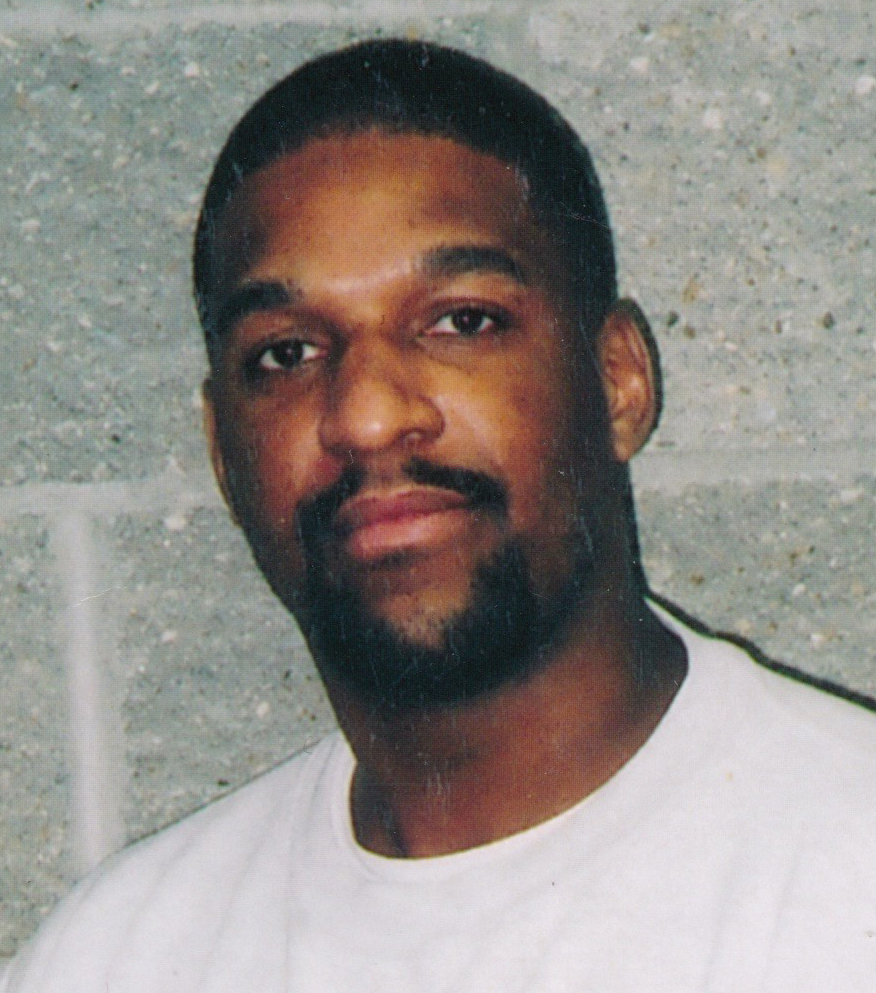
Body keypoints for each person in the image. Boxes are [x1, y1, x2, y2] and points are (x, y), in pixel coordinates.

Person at [4, 38, 875, 993]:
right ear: (223, 453)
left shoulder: (846, 878)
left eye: (462, 321)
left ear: (618, 381)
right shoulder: (115, 957)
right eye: (287, 353)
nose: (368, 415)